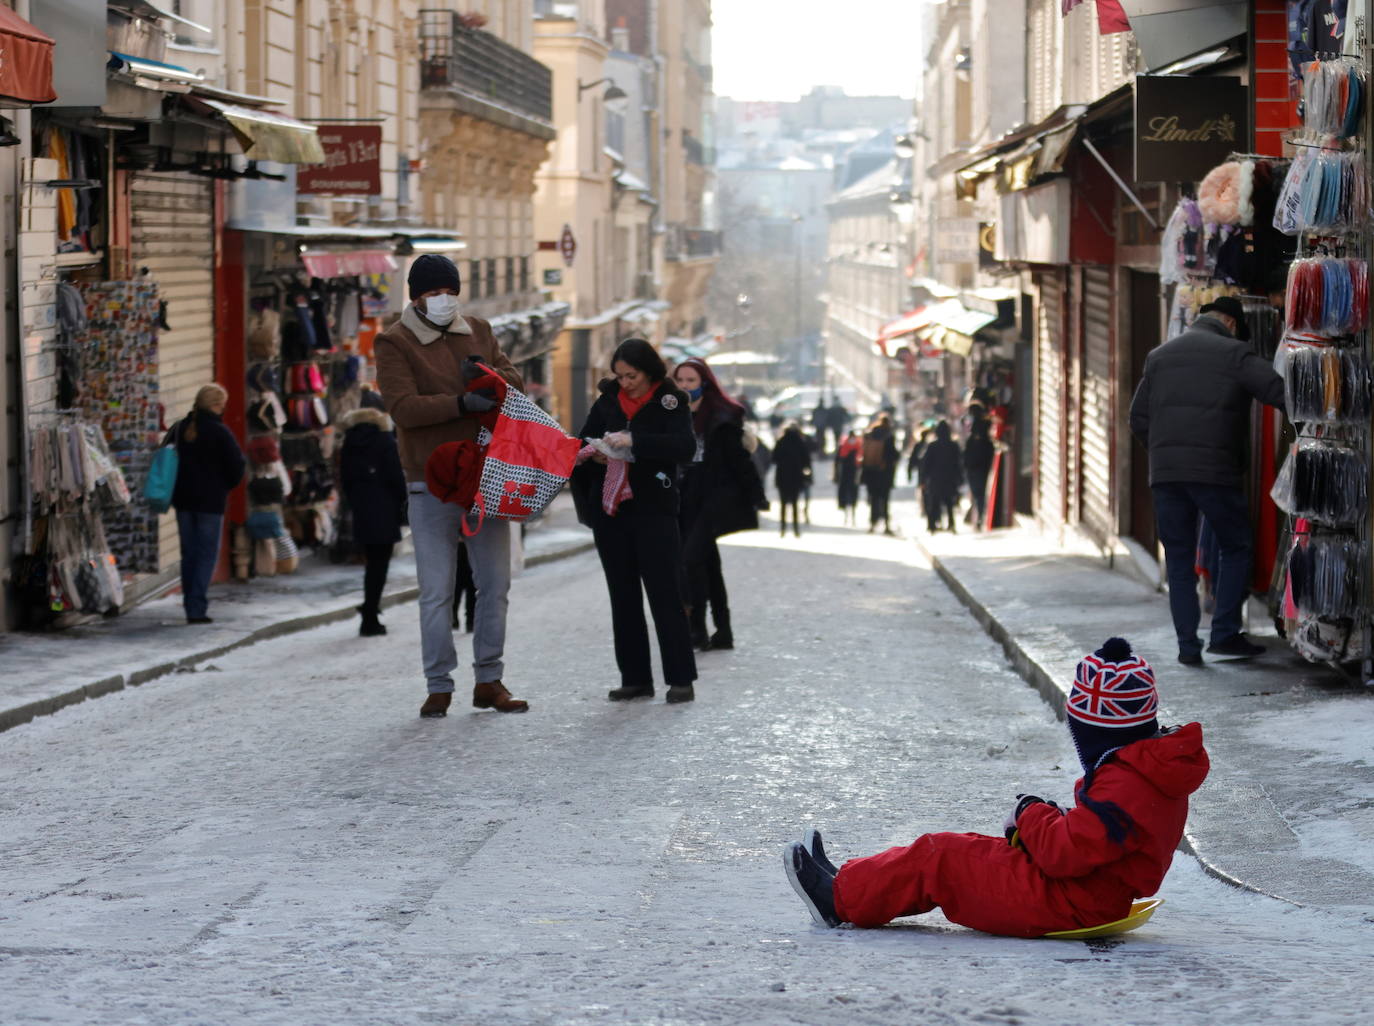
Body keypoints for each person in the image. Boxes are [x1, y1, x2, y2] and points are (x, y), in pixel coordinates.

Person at [783, 638, 1210, 935]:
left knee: (941, 857)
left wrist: (1031, 812)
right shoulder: (1146, 768)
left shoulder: (1127, 781)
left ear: (1097, 730)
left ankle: (838, 900)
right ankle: (854, 882)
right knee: (968, 847)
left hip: (1067, 903)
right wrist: (1049, 820)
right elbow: (1101, 837)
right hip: (1084, 893)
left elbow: (1065, 852)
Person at [374, 253, 529, 717]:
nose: (443, 300)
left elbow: (516, 382)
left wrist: (492, 377)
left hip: (486, 477)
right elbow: (403, 407)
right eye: (433, 293)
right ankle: (439, 683)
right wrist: (461, 402)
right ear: (416, 296)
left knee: (495, 585)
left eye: (450, 292)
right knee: (436, 590)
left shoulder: (477, 329)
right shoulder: (394, 341)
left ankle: (490, 679)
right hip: (431, 480)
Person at [1128, 295, 1285, 664]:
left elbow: (1137, 419)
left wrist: (1164, 454)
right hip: (1216, 473)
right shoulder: (1235, 353)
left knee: (1179, 561)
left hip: (1166, 475)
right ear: (1231, 323)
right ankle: (1225, 633)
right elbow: (1280, 393)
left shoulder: (1159, 356)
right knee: (1235, 547)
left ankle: (1187, 647)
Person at [570, 338, 699, 703]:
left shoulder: (671, 401)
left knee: (664, 593)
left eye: (632, 376)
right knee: (622, 595)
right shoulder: (608, 400)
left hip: (653, 508)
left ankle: (680, 678)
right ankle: (635, 677)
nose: (626, 383)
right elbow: (584, 439)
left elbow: (684, 447)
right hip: (612, 510)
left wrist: (634, 441)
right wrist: (595, 451)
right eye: (620, 376)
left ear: (650, 372)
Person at [673, 357, 767, 652]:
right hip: (685, 496)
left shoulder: (722, 416)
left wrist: (756, 494)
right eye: (680, 381)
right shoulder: (673, 414)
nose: (685, 386)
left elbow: (739, 460)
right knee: (708, 564)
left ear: (704, 383)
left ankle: (697, 628)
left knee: (691, 560)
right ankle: (723, 630)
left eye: (691, 381)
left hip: (714, 495)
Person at [169, 384, 245, 624]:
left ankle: (190, 603)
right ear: (216, 405)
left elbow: (165, 458)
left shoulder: (180, 428)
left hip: (182, 500)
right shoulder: (219, 432)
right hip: (210, 503)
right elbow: (237, 466)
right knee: (206, 555)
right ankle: (196, 607)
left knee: (188, 553)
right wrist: (224, 486)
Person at [339, 406, 407, 637]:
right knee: (380, 564)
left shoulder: (349, 443)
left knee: (371, 563)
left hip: (361, 509)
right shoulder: (384, 440)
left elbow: (344, 478)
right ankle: (370, 614)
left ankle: (370, 610)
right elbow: (395, 476)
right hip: (384, 507)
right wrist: (403, 501)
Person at [919, 421, 963, 533]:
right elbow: (958, 463)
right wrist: (959, 478)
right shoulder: (953, 445)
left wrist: (923, 479)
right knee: (949, 503)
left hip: (935, 478)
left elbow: (926, 464)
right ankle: (951, 524)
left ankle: (932, 525)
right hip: (949, 478)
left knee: (934, 502)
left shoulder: (933, 445)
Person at [860, 412, 899, 535]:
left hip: (870, 471)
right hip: (884, 473)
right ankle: (886, 524)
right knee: (885, 499)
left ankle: (872, 523)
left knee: (873, 498)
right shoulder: (888, 436)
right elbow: (893, 455)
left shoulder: (869, 435)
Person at [771, 423, 812, 538]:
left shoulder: (781, 442)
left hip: (782, 477)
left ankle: (783, 529)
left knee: (783, 504)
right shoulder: (800, 443)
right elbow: (807, 461)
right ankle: (796, 529)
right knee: (794, 504)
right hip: (796, 477)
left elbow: (774, 458)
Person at [963, 416, 996, 531]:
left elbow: (965, 458)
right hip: (982, 472)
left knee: (978, 496)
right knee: (980, 496)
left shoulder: (971, 441)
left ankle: (979, 517)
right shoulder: (986, 441)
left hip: (974, 473)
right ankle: (980, 517)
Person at [833, 430, 862, 526]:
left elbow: (837, 461)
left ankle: (846, 518)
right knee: (853, 495)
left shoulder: (843, 445)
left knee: (845, 495)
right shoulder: (859, 445)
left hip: (844, 475)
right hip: (854, 474)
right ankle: (853, 518)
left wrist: (836, 475)